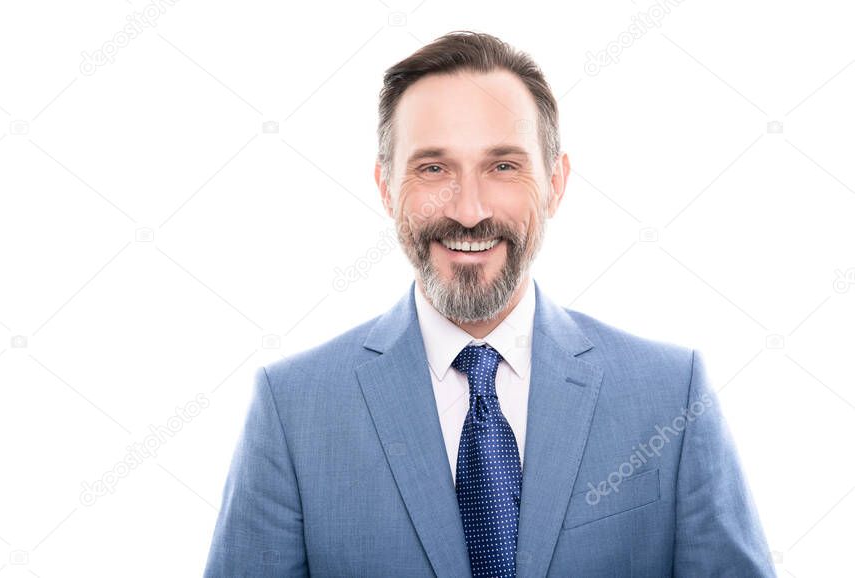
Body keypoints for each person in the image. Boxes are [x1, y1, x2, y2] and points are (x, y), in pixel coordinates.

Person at [204, 30, 775, 577]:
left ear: (555, 183)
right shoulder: (292, 409)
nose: (470, 210)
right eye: (433, 168)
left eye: (503, 166)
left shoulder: (671, 393)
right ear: (384, 187)